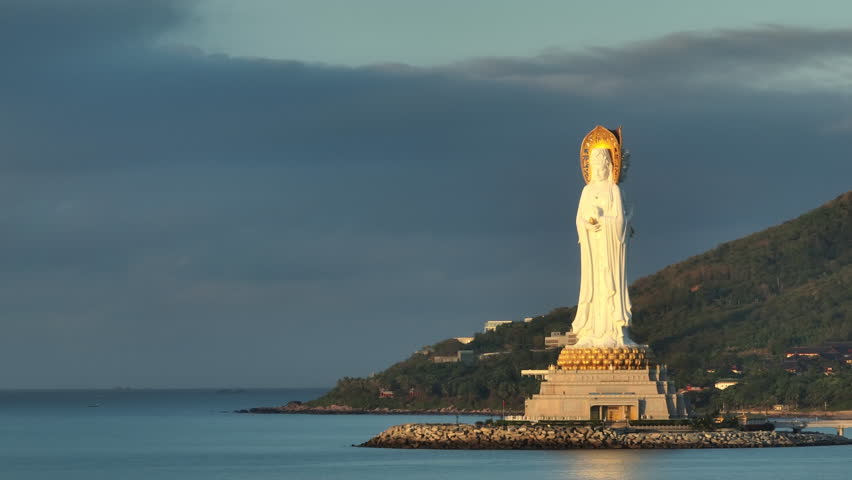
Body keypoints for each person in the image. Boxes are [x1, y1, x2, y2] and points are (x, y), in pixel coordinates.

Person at [571, 147, 635, 347]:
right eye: (594, 167)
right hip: (592, 247)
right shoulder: (587, 190)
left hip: (609, 248)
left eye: (602, 167)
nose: (598, 171)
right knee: (592, 287)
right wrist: (588, 223)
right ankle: (590, 332)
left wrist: (603, 220)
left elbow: (620, 221)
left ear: (609, 166)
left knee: (609, 286)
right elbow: (579, 219)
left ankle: (612, 332)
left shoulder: (614, 190)